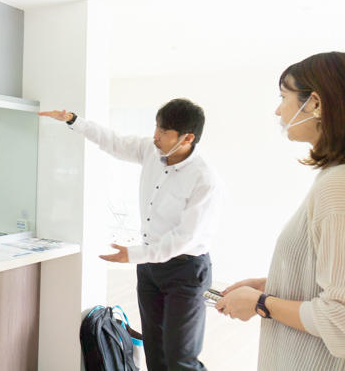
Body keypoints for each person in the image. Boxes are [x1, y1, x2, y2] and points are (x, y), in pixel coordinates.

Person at [39, 99, 226, 371]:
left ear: (187, 138)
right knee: (154, 350)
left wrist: (135, 254)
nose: (155, 136)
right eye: (156, 127)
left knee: (181, 358)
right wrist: (74, 120)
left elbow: (185, 238)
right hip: (150, 268)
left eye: (163, 131)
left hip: (184, 270)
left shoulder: (204, 180)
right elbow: (112, 141)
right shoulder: (151, 150)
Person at [216, 52, 345, 370]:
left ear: (315, 103)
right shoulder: (331, 177)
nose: (278, 110)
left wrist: (261, 303)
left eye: (283, 97)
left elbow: (339, 320)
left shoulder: (336, 185)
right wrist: (273, 284)